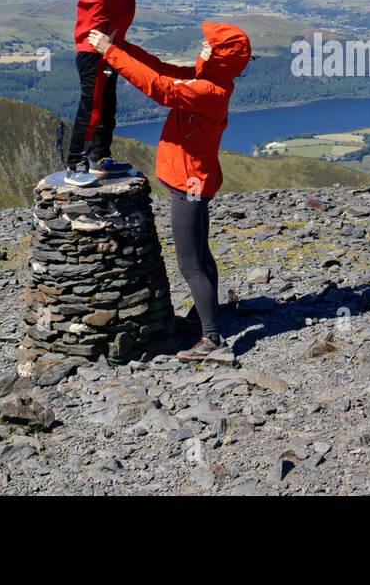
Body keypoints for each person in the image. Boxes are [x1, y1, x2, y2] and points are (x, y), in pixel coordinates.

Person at [86, 21, 252, 360]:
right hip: (196, 180)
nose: (203, 48)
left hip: (190, 185)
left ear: (220, 59)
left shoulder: (207, 91)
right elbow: (161, 69)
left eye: (210, 47)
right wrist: (126, 47)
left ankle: (211, 339)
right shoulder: (205, 79)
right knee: (201, 256)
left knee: (190, 263)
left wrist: (110, 52)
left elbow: (159, 88)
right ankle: (209, 316)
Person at [65, 0, 169, 186]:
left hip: (110, 51)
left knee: (107, 107)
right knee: (90, 108)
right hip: (92, 54)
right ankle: (75, 161)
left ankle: (100, 158)